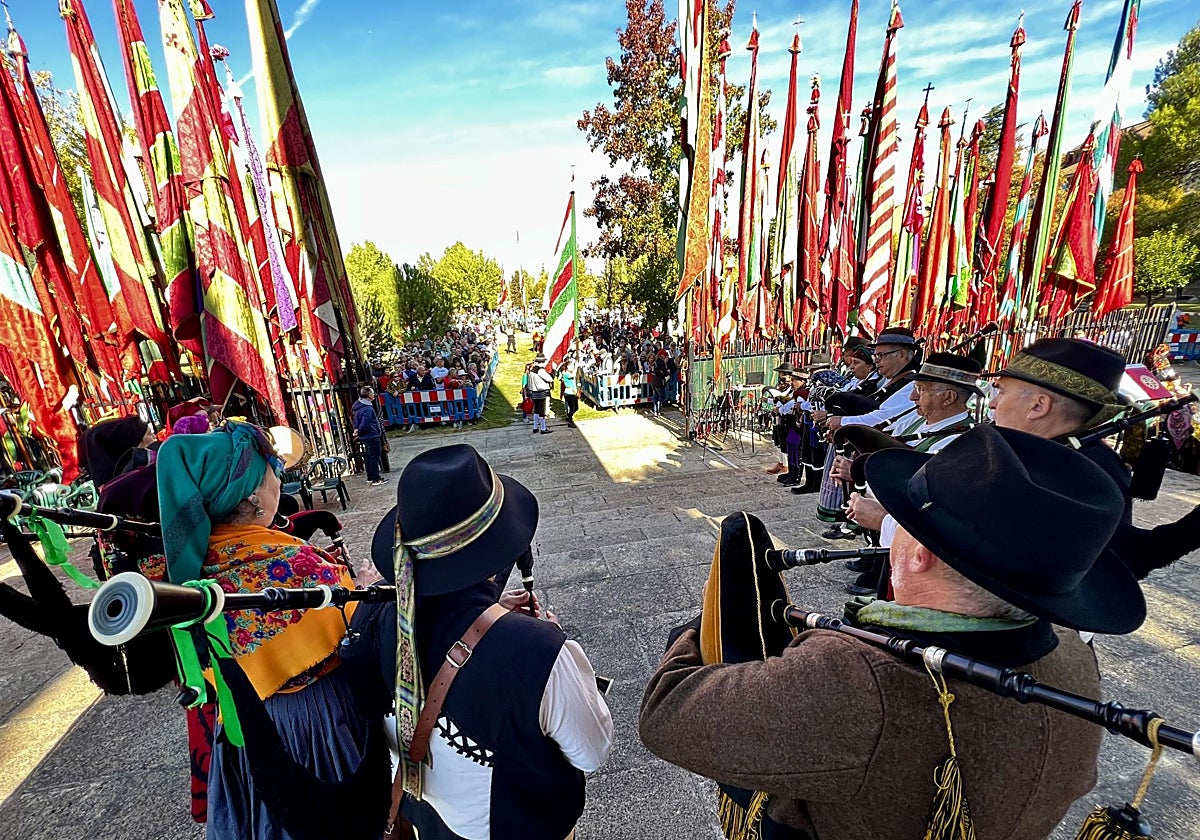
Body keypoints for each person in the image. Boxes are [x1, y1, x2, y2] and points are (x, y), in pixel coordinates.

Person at [640, 425, 1145, 840]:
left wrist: (702, 624)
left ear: (921, 554)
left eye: (899, 521)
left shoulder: (854, 678)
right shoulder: (1075, 658)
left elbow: (668, 714)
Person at [157, 422, 390, 840]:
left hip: (247, 726)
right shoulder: (294, 564)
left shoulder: (189, 573)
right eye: (272, 474)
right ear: (251, 495)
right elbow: (352, 629)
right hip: (315, 719)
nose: (279, 480)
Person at [370, 444, 613, 839]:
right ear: (499, 551)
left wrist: (492, 614)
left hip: (426, 820)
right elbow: (591, 751)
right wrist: (553, 645)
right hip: (508, 826)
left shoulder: (373, 614)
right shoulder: (537, 653)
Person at [984, 337, 1200, 580]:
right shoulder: (1045, 451)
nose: (992, 403)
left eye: (1001, 392)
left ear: (1038, 406)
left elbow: (1127, 560)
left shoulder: (1085, 473)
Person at [83, 415, 158, 487]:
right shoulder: (140, 482)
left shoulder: (113, 488)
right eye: (149, 434)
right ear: (134, 442)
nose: (154, 437)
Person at [354, 386, 388, 486]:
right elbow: (365, 422)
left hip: (365, 436)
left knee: (368, 457)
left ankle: (370, 477)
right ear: (369, 395)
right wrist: (359, 431)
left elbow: (357, 421)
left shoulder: (358, 406)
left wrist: (357, 430)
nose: (374, 395)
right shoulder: (367, 409)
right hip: (371, 435)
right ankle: (376, 478)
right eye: (373, 393)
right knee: (374, 458)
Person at [528, 355, 555, 435]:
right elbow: (550, 379)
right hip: (541, 392)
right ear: (542, 362)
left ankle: (535, 427)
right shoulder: (540, 370)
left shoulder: (532, 369)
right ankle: (543, 428)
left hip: (534, 391)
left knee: (536, 410)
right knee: (541, 411)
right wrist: (554, 370)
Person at [560, 359, 580, 428]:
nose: (573, 367)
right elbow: (573, 375)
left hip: (573, 393)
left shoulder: (568, 373)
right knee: (572, 408)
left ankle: (569, 416)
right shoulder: (565, 373)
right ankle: (570, 420)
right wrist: (576, 367)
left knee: (576, 408)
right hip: (569, 393)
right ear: (568, 367)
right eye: (572, 366)